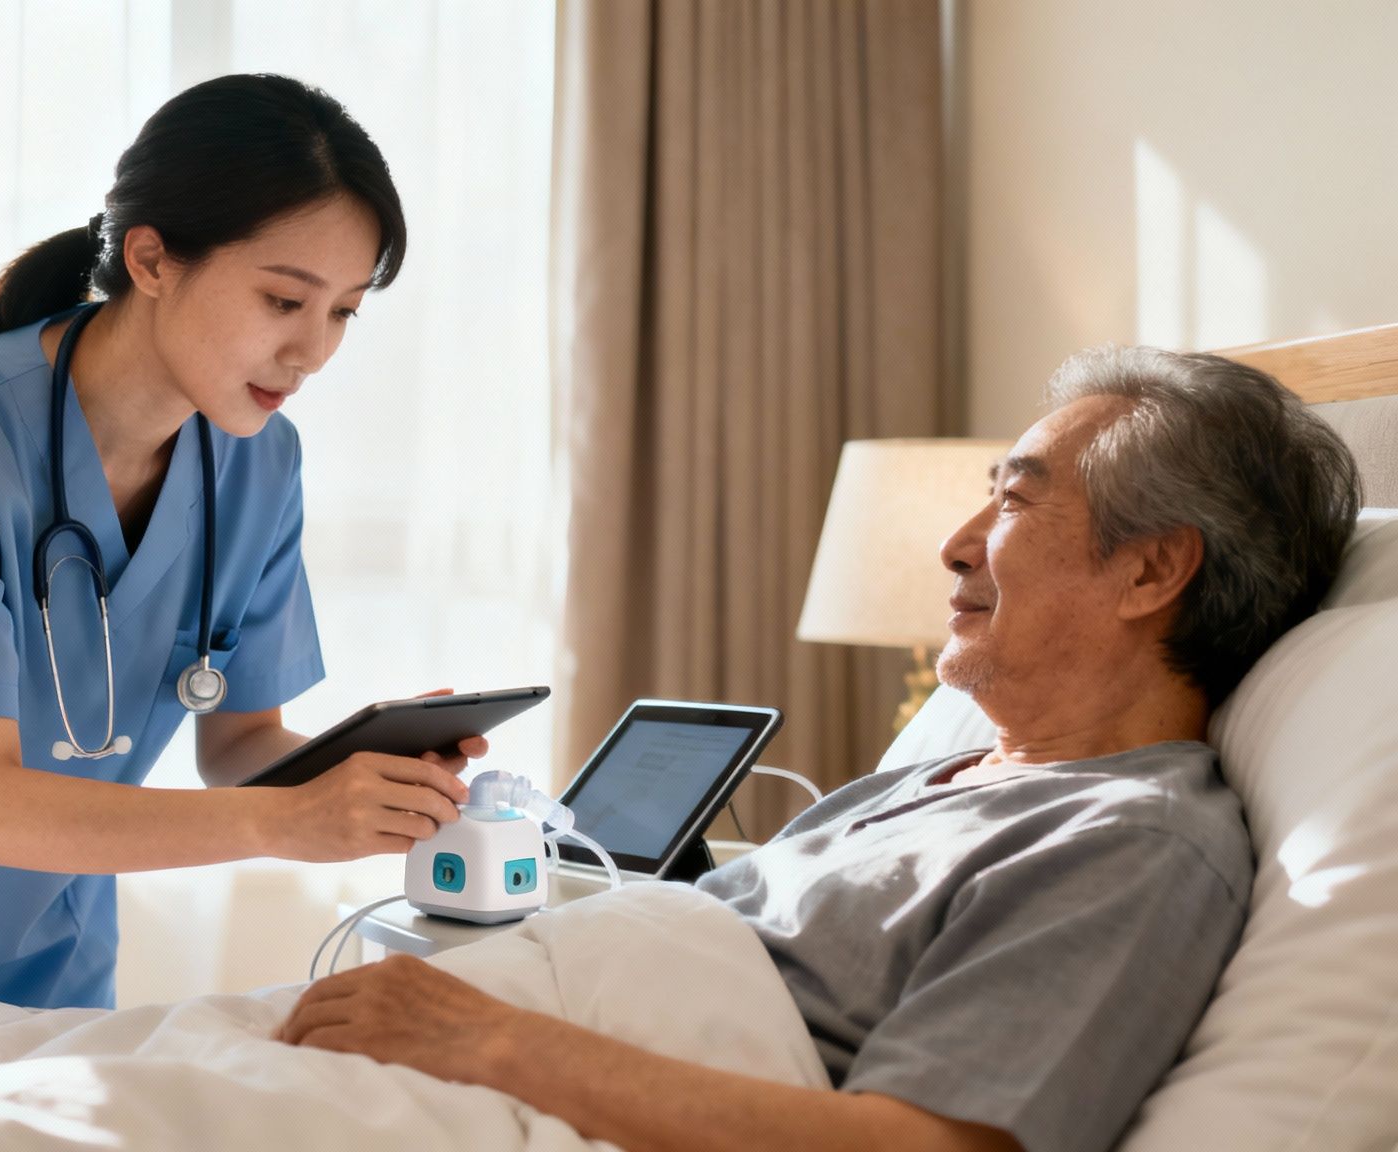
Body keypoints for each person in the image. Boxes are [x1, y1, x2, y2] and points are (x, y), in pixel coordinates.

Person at [280, 347, 1363, 1152]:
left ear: (1150, 572)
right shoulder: (933, 780)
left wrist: (490, 1039)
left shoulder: (1128, 841)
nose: (953, 544)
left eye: (1014, 500)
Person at [0, 72, 481, 1010]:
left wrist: (361, 775)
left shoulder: (259, 463)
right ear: (150, 259)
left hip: (45, 935)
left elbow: (239, 743)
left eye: (343, 311)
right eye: (282, 301)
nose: (313, 350)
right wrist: (289, 820)